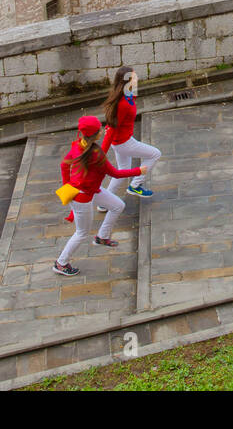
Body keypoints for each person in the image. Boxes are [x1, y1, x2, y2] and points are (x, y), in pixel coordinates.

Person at [53, 115, 144, 277]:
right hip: (83, 197)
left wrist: (66, 185)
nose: (102, 130)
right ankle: (61, 263)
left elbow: (63, 165)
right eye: (100, 129)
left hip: (89, 190)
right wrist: (139, 171)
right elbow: (115, 173)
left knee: (118, 206)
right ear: (96, 134)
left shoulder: (78, 145)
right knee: (81, 233)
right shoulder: (96, 155)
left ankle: (102, 237)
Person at [100, 66, 161, 198]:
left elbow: (113, 121)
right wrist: (100, 156)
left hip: (121, 141)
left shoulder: (127, 95)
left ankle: (105, 201)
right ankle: (135, 186)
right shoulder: (123, 103)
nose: (137, 77)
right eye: (134, 76)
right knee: (155, 154)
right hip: (124, 143)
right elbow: (112, 128)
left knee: (123, 170)